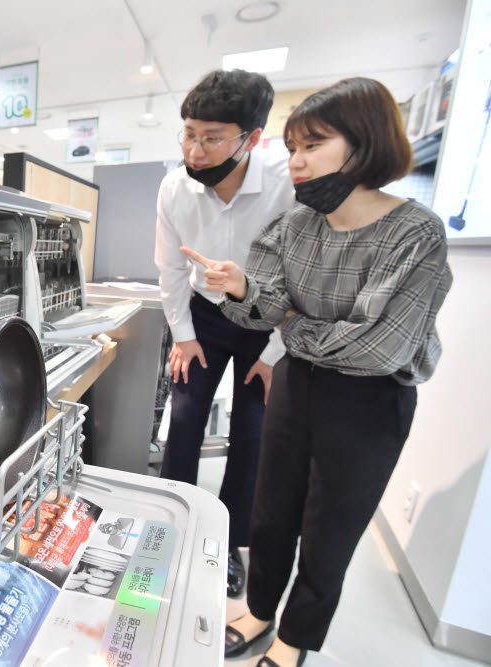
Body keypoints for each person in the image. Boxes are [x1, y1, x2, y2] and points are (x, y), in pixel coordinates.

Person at [182, 77, 452, 667]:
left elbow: (382, 347)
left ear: (365, 143)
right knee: (271, 506)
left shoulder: (415, 232)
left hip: (371, 399)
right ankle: (257, 611)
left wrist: (288, 321)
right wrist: (245, 288)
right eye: (293, 148)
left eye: (314, 145)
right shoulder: (296, 225)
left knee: (331, 526)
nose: (297, 162)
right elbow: (267, 304)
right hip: (297, 384)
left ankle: (294, 639)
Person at [154, 69, 294, 598]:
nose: (196, 149)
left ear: (252, 138)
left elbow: (301, 275)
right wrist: (184, 337)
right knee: (184, 419)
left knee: (254, 433)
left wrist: (277, 353)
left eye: (212, 138)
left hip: (267, 321)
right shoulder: (174, 187)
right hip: (204, 318)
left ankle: (228, 544)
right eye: (189, 133)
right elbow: (168, 270)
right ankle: (174, 528)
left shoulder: (286, 182)